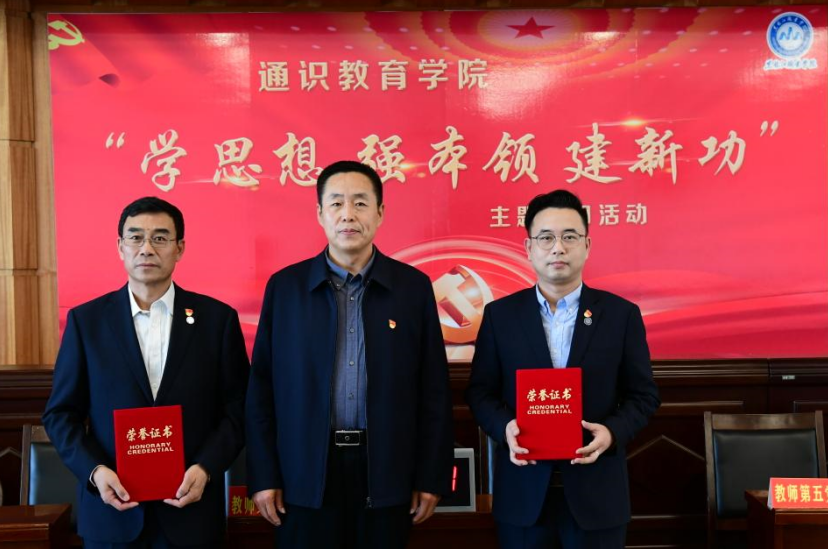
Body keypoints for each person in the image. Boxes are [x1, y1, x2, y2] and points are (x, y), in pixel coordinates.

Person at [245, 160, 454, 549]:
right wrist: (263, 475)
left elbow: (434, 392)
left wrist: (431, 476)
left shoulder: (412, 288)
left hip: (387, 470)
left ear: (380, 213)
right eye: (336, 203)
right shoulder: (286, 289)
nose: (348, 215)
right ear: (320, 213)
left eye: (360, 203)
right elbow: (261, 391)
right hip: (304, 473)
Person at [43, 196, 249, 548]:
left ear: (179, 248)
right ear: (120, 247)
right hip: (112, 513)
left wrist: (206, 467)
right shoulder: (86, 322)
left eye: (160, 238)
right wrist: (95, 472)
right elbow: (60, 414)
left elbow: (238, 409)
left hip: (191, 513)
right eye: (136, 237)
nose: (147, 248)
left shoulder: (217, 320)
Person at [465, 190, 660, 549]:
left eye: (570, 237)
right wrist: (505, 427)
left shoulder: (621, 316)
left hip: (597, 496)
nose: (558, 248)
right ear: (529, 248)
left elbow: (643, 395)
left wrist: (612, 433)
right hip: (523, 496)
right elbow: (480, 392)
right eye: (546, 238)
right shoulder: (500, 316)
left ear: (587, 245)